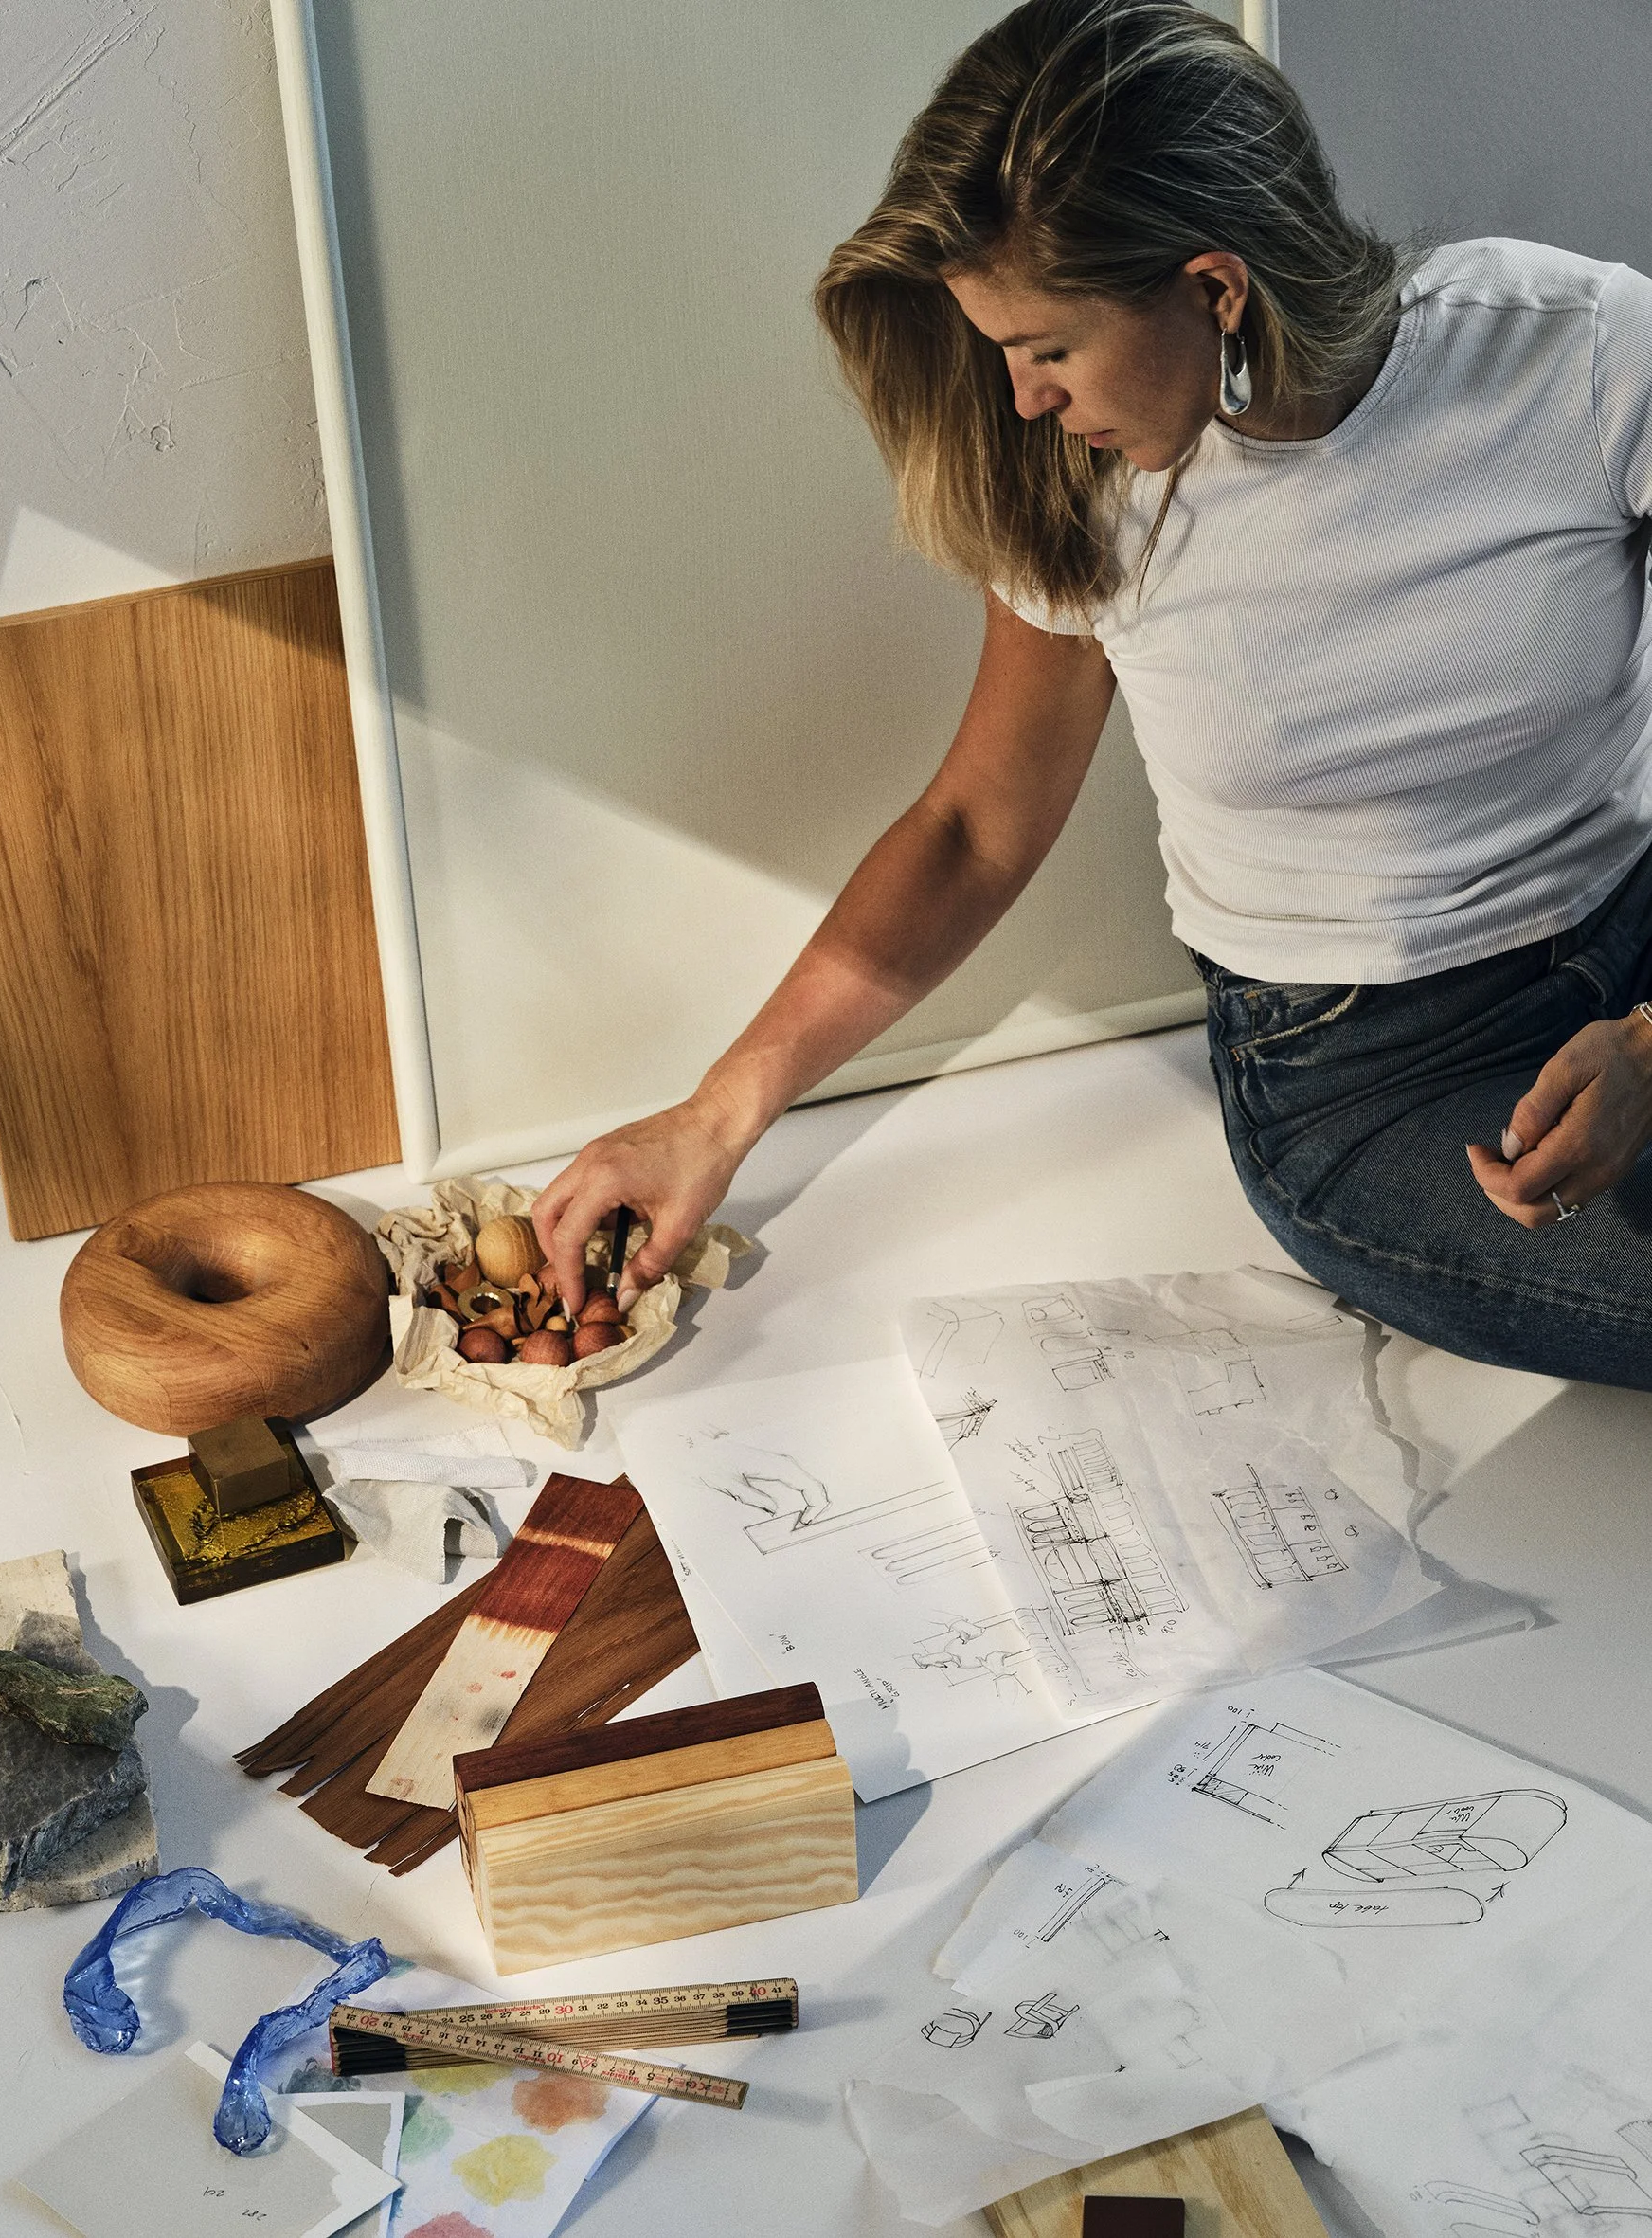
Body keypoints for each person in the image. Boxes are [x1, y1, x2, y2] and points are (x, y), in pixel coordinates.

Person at [534, 0, 1652, 1388]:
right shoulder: (1085, 496)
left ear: (1215, 288)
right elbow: (972, 830)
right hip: (1373, 1078)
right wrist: (713, 1116)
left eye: (1048, 347)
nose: (1018, 402)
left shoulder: (1578, 353)